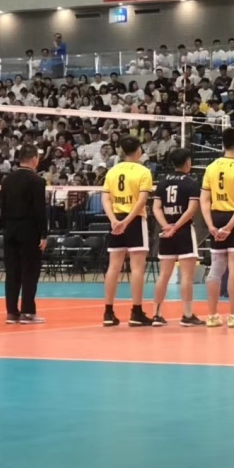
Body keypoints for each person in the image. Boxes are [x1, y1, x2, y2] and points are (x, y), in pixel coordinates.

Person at [201, 127, 234, 328]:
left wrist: (210, 225)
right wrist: (230, 226)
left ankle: (212, 315)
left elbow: (204, 199)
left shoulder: (211, 167)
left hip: (216, 216)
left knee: (216, 268)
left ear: (223, 145)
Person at [102, 136, 154, 327]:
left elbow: (105, 199)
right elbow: (141, 201)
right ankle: (136, 312)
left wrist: (114, 220)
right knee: (137, 267)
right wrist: (127, 221)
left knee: (113, 267)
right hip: (135, 220)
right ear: (139, 150)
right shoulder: (143, 171)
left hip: (116, 219)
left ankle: (108, 312)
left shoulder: (112, 171)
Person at [149, 148, 204, 327]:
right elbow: (191, 209)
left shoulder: (163, 182)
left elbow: (156, 208)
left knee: (164, 275)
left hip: (166, 232)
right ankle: (187, 315)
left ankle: (156, 314)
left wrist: (166, 226)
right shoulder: (191, 182)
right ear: (188, 162)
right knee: (187, 276)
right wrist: (176, 227)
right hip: (184, 231)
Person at [0, 144, 47, 324]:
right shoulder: (37, 180)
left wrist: (7, 227)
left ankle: (11, 312)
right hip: (29, 231)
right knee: (30, 271)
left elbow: (2, 208)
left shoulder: (7, 180)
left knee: (12, 272)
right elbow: (40, 210)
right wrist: (43, 234)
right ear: (34, 159)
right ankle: (27, 312)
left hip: (10, 230)